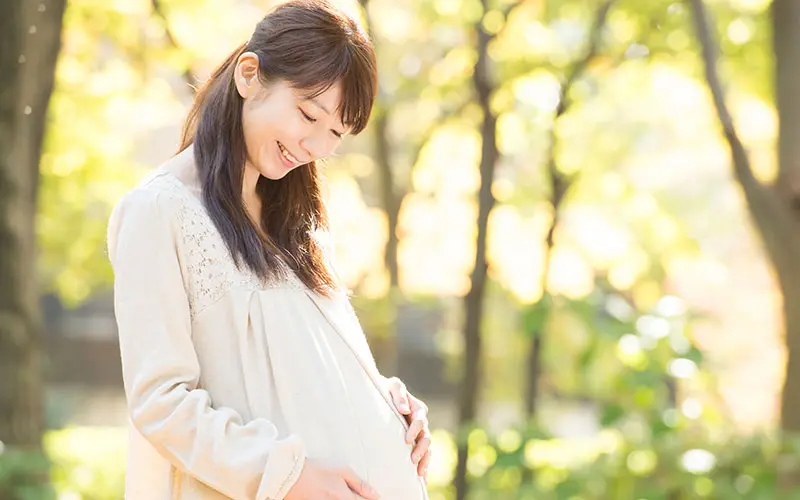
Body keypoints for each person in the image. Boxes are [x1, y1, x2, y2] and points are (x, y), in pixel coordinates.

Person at [106, 1, 431, 498]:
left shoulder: (296, 221)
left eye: (335, 132)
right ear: (249, 75)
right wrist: (287, 475)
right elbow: (160, 403)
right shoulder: (158, 211)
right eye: (308, 114)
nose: (316, 146)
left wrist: (385, 400)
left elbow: (292, 367)